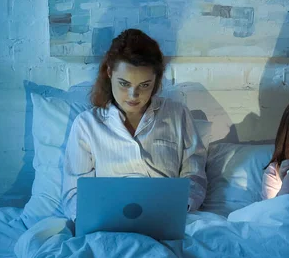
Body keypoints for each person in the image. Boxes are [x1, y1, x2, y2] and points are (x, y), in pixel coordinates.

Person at [62, 29, 207, 221]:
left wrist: (180, 206)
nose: (133, 95)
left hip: (168, 218)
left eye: (144, 85)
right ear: (109, 73)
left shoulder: (177, 114)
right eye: (124, 84)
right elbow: (74, 192)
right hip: (109, 221)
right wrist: (92, 219)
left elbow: (194, 174)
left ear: (155, 80)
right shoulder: (86, 125)